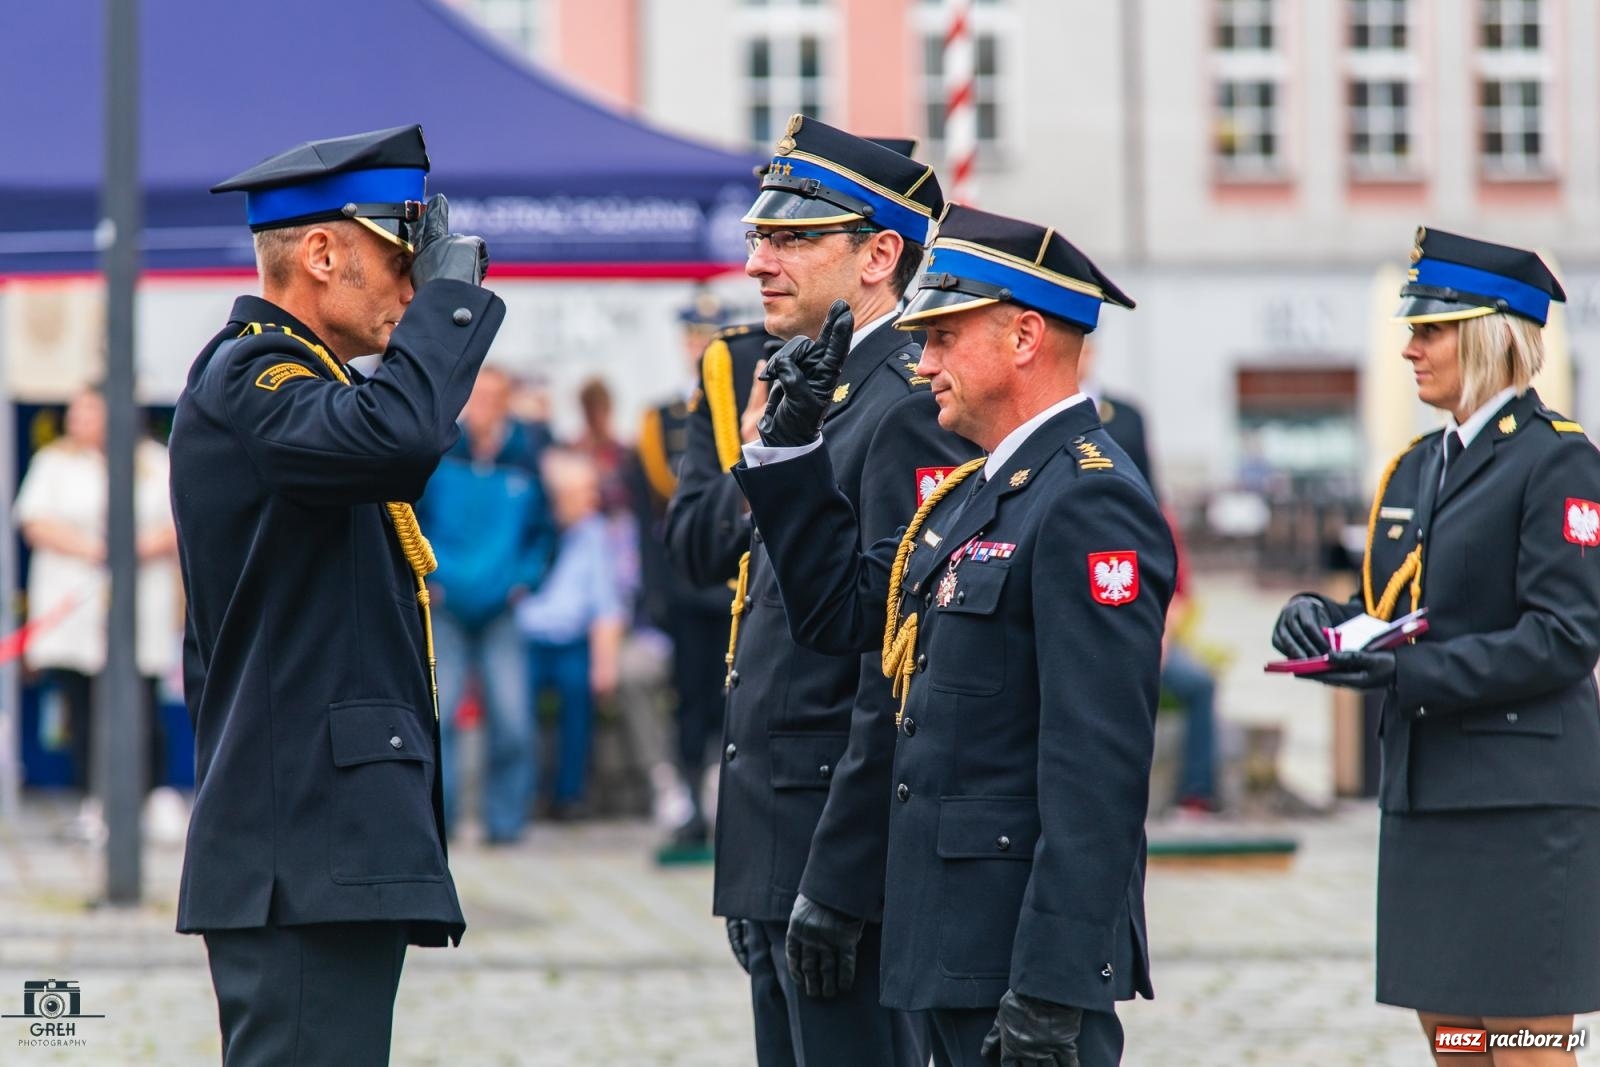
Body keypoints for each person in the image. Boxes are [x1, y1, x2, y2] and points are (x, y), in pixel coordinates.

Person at [734, 204, 1175, 1067]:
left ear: (1023, 337)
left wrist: (1054, 982)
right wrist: (788, 448)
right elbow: (844, 618)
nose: (922, 360)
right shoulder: (978, 491)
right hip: (947, 943)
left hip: (1017, 958)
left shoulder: (1087, 498)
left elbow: (1099, 772)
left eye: (942, 337)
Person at [169, 125, 500, 1065]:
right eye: (404, 255)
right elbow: (396, 437)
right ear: (322, 252)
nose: (415, 283)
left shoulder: (312, 390)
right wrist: (451, 304)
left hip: (320, 843)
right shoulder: (251, 372)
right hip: (300, 849)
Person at [1271, 227, 1600, 1065]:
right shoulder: (1419, 466)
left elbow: (1565, 637)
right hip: (1429, 791)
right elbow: (1398, 610)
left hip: (1521, 801)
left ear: (1489, 334)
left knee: (1524, 1040)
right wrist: (1322, 621)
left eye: (1430, 331)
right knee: (1450, 1036)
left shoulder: (1558, 462)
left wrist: (1407, 670)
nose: (1410, 349)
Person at [699, 115, 975, 1067]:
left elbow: (891, 666)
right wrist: (751, 871)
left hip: (837, 839)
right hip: (783, 831)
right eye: (758, 238)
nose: (760, 263)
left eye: (793, 238)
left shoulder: (907, 400)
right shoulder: (821, 388)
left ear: (879, 255)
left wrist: (839, 874)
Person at [15, 385, 184, 842]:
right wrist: (96, 549)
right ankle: (95, 799)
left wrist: (132, 550)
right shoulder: (56, 462)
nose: (77, 420)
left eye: (88, 411)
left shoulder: (153, 460)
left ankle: (154, 794)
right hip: (75, 594)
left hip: (139, 590)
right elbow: (34, 520)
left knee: (141, 697)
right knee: (81, 698)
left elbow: (179, 519)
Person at [417, 365, 554, 845]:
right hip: (447, 604)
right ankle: (443, 822)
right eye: (480, 396)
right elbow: (412, 519)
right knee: (442, 716)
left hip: (502, 609)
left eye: (497, 396)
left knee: (513, 720)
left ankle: (505, 824)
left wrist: (526, 579)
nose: (486, 406)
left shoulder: (525, 458)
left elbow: (544, 532)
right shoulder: (439, 453)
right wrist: (427, 577)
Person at [1081, 344, 1218, 813]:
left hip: (1132, 588)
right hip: (1085, 588)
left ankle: (1195, 794)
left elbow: (1151, 512)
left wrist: (1164, 621)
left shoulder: (1126, 417)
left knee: (1195, 682)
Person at [629, 292, 742, 854]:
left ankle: (728, 807)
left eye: (710, 337)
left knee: (734, 703)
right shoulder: (660, 421)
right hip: (686, 587)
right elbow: (647, 519)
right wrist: (653, 594)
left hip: (735, 589)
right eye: (694, 338)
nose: (700, 347)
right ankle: (690, 806)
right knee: (690, 702)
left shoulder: (750, 410)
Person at [514, 448, 626, 819]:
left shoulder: (595, 534)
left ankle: (569, 796)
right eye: (584, 492)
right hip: (524, 640)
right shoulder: (529, 525)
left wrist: (604, 663)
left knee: (579, 694)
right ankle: (524, 794)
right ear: (558, 496)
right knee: (516, 707)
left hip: (571, 641)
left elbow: (606, 604)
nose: (593, 499)